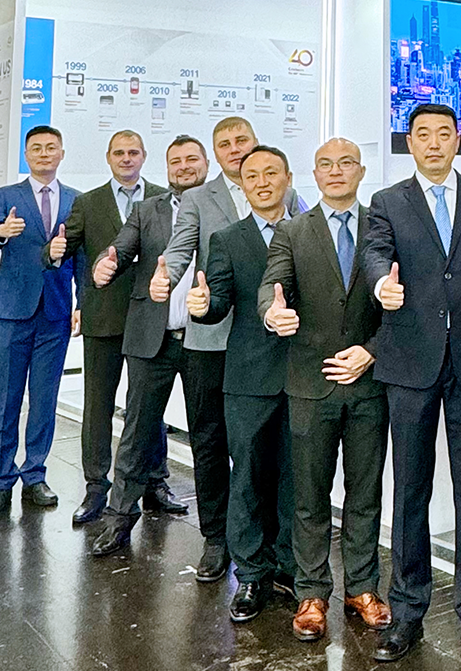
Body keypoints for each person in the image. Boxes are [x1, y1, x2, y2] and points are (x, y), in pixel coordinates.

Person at [363, 104, 461, 665]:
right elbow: (376, 254)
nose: (433, 143)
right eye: (422, 134)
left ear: (457, 141)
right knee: (410, 490)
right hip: (410, 362)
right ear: (409, 142)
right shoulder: (388, 201)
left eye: (443, 134)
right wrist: (382, 284)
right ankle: (406, 612)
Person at [150, 116, 302, 581]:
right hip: (211, 340)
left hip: (269, 344)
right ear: (215, 153)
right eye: (225, 144)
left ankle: (273, 547)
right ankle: (217, 539)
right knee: (211, 443)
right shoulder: (198, 198)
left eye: (242, 141)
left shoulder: (285, 193)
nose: (235, 149)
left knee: (267, 450)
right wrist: (167, 279)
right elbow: (180, 249)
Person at [258, 139, 389, 642]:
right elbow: (272, 288)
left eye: (346, 163)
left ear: (361, 170)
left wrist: (371, 351)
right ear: (313, 174)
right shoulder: (292, 231)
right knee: (309, 496)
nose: (336, 171)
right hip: (310, 385)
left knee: (365, 493)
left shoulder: (382, 225)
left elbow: (401, 303)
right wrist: (273, 313)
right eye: (326, 164)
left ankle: (363, 587)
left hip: (368, 384)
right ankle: (311, 592)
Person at [43, 129, 178, 525]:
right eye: (119, 152)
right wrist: (52, 252)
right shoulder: (88, 203)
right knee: (98, 405)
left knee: (148, 407)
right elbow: (64, 248)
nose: (126, 158)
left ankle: (155, 482)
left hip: (151, 318)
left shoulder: (163, 199)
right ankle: (96, 486)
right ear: (108, 157)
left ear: (144, 156)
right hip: (103, 317)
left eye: (133, 152)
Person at [88, 137, 212, 559]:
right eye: (175, 161)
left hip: (205, 341)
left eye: (191, 159)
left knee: (208, 436)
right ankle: (119, 518)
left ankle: (216, 534)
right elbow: (120, 248)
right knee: (137, 431)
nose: (183, 167)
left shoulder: (220, 206)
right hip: (150, 337)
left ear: (206, 163)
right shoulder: (147, 210)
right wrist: (105, 263)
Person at [187, 145, 297, 622]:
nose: (263, 182)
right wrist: (202, 306)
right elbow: (218, 302)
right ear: (242, 185)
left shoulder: (310, 230)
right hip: (248, 376)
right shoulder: (228, 239)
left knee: (296, 479)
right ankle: (250, 574)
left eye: (271, 173)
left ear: (287, 177)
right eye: (253, 176)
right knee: (248, 476)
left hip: (302, 376)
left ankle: (290, 567)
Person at [0, 125, 81, 516]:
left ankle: (35, 474)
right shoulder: (6, 196)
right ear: (26, 155)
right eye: (36, 148)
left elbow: (82, 258)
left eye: (51, 147)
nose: (44, 154)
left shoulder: (76, 200)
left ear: (61, 153)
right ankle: (1, 481)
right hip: (11, 311)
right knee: (6, 399)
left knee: (44, 399)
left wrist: (82, 304)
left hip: (55, 312)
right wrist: (2, 232)